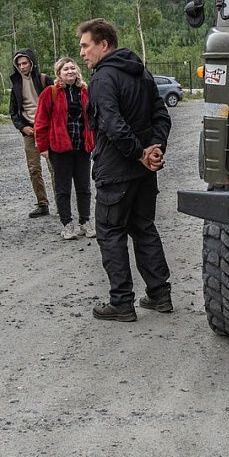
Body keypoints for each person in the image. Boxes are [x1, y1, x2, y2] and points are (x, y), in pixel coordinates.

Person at [78, 18, 172, 322]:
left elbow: (111, 123)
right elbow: (161, 116)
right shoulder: (141, 72)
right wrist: (154, 148)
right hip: (143, 172)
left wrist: (142, 154)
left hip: (116, 171)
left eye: (86, 46)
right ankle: (160, 294)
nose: (82, 53)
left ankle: (121, 302)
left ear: (103, 44)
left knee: (111, 233)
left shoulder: (103, 79)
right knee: (144, 228)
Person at [34, 57, 95, 240]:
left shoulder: (85, 92)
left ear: (77, 71)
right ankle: (67, 224)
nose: (70, 71)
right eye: (66, 69)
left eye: (72, 68)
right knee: (63, 188)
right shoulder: (50, 93)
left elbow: (93, 117)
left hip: (82, 146)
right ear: (59, 73)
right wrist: (43, 147)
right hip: (60, 148)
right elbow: (41, 121)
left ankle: (85, 221)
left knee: (84, 187)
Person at [9, 49, 54, 217]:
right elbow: (13, 111)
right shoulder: (16, 84)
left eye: (25, 63)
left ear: (32, 63)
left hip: (47, 129)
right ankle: (42, 204)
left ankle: (61, 202)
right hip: (29, 130)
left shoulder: (44, 80)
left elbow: (56, 104)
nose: (22, 67)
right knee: (34, 168)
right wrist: (23, 127)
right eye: (19, 64)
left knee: (54, 167)